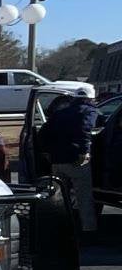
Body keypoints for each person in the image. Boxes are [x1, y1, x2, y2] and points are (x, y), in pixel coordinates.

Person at [42, 89, 98, 234]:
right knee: (83, 197)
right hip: (76, 161)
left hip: (57, 161)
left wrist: (47, 152)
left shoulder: (61, 113)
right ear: (91, 99)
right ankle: (88, 230)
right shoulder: (88, 111)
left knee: (60, 198)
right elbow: (85, 129)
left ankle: (61, 228)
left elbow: (44, 132)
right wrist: (84, 151)